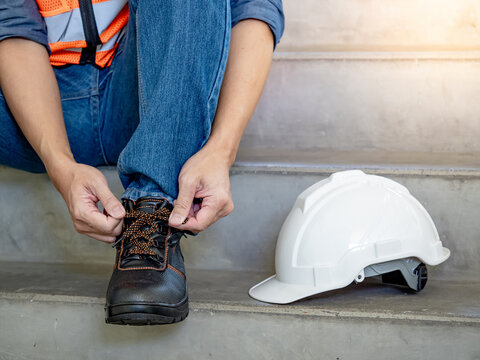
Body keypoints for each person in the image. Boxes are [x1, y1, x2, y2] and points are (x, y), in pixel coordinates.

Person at [0, 0, 284, 325]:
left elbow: (253, 7)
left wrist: (222, 148)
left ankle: (152, 210)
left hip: (146, 90)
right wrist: (61, 165)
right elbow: (11, 26)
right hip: (30, 109)